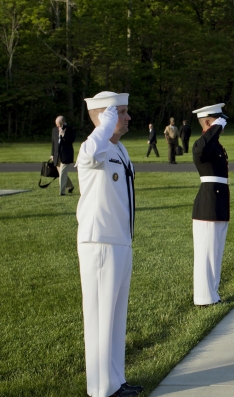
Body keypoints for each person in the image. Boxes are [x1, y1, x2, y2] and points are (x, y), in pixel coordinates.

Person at [77, 91, 143, 397]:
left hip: (120, 240)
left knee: (116, 317)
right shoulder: (96, 146)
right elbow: (89, 153)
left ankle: (116, 380)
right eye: (122, 112)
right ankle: (101, 388)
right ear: (105, 116)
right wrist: (104, 124)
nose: (128, 117)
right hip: (100, 241)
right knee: (100, 317)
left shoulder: (119, 148)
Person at [190, 104, 229, 306]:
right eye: (217, 120)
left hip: (218, 202)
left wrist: (215, 128)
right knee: (206, 253)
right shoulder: (201, 145)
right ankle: (203, 298)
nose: (222, 124)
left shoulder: (215, 144)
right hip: (208, 204)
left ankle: (212, 294)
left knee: (215, 251)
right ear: (208, 122)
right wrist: (216, 127)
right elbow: (201, 149)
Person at [50, 115, 76, 195]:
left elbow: (71, 140)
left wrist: (63, 134)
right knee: (62, 173)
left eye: (59, 124)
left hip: (66, 155)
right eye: (56, 124)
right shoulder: (54, 130)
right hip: (57, 156)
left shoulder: (71, 129)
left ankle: (62, 192)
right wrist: (52, 154)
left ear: (63, 122)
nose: (57, 126)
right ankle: (70, 186)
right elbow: (53, 143)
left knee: (62, 174)